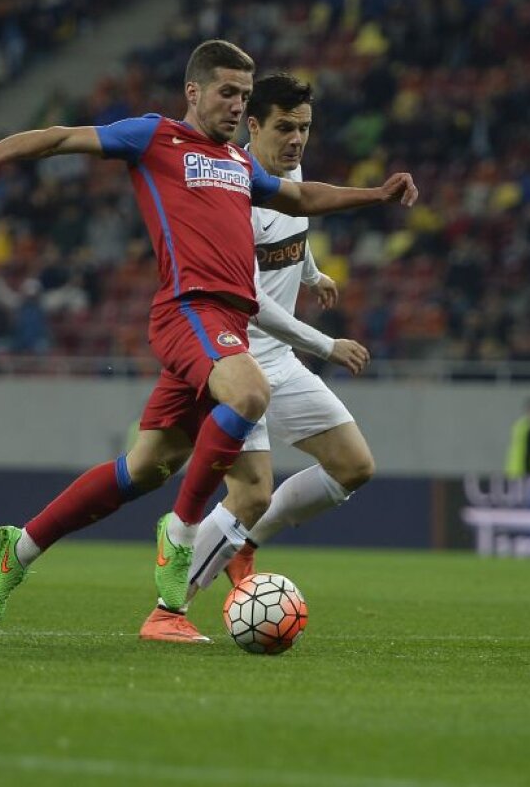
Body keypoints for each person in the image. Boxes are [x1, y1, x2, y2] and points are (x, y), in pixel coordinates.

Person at [0, 39, 417, 636]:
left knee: (145, 468)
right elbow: (61, 137)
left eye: (244, 94)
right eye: (227, 92)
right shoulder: (153, 138)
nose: (237, 105)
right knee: (250, 394)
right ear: (194, 92)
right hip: (189, 310)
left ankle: (22, 546)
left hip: (220, 328)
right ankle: (182, 535)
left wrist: (375, 195)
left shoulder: (241, 167)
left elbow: (301, 197)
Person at [138, 73, 377, 642]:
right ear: (254, 125)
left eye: (305, 129)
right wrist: (325, 343)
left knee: (354, 466)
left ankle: (239, 542)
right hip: (237, 360)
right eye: (286, 128)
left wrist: (313, 273)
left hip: (282, 362)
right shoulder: (234, 190)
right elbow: (250, 302)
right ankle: (168, 610)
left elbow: (293, 231)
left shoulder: (287, 179)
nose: (297, 140)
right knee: (251, 493)